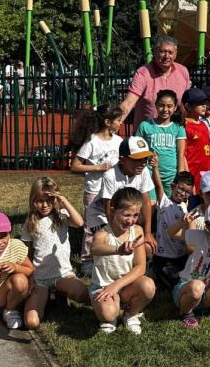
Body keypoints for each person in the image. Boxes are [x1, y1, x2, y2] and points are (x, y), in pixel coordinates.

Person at [21, 177, 88, 329]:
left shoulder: (62, 215)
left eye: (49, 200)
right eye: (39, 201)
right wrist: (30, 277)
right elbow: (26, 253)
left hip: (63, 274)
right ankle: (47, 298)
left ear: (55, 199)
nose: (44, 205)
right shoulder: (30, 222)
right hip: (40, 278)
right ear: (33, 201)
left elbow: (79, 223)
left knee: (82, 293)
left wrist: (63, 200)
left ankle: (59, 293)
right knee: (32, 322)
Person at [90, 187, 157, 334]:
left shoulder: (137, 232)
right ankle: (111, 314)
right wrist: (117, 250)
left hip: (125, 286)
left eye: (135, 215)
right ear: (113, 211)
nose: (130, 220)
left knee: (148, 286)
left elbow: (140, 267)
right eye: (126, 215)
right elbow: (95, 248)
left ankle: (130, 314)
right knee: (108, 314)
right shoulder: (102, 234)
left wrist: (116, 286)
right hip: (103, 286)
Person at [69, 104, 123, 274]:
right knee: (92, 226)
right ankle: (87, 260)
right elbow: (75, 165)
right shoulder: (92, 141)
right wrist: (97, 168)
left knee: (112, 221)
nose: (121, 123)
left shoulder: (118, 141)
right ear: (108, 122)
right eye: (118, 120)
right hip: (94, 190)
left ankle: (108, 256)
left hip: (113, 189)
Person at [99, 137, 158, 259]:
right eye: (137, 159)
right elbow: (108, 208)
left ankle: (142, 267)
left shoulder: (144, 171)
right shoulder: (110, 175)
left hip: (133, 219)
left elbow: (146, 201)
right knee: (118, 248)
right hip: (113, 221)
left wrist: (147, 233)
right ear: (122, 160)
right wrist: (118, 235)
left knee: (148, 248)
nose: (142, 163)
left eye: (145, 159)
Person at [119, 36, 191, 126]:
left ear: (175, 54)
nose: (166, 56)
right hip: (147, 133)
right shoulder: (143, 73)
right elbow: (128, 103)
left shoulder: (183, 71)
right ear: (155, 52)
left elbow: (186, 105)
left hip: (173, 132)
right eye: (162, 52)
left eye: (170, 52)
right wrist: (112, 124)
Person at [137, 90, 186, 200]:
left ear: (175, 107)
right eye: (161, 105)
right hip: (149, 173)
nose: (165, 109)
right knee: (151, 205)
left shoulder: (178, 128)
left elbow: (181, 154)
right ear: (155, 105)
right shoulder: (145, 126)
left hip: (171, 176)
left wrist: (180, 177)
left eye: (169, 106)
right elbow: (138, 151)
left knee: (169, 208)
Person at [153, 171, 195, 288]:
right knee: (176, 282)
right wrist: (156, 167)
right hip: (163, 257)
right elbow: (158, 185)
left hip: (181, 256)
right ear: (173, 186)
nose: (183, 194)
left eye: (188, 192)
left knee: (189, 278)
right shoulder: (163, 202)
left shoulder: (185, 208)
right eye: (181, 189)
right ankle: (154, 270)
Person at [182, 88, 210, 178]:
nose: (204, 106)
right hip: (192, 173)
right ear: (188, 106)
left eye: (204, 102)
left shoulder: (203, 124)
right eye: (199, 103)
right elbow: (182, 154)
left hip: (206, 173)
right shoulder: (184, 126)